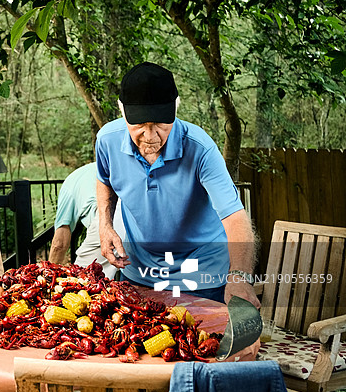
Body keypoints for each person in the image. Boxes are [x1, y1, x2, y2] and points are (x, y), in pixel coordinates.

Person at [95, 62, 259, 314]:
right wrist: (105, 226)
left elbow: (234, 216)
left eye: (161, 124)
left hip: (201, 273)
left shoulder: (201, 148)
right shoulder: (107, 140)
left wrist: (239, 276)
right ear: (122, 111)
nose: (150, 136)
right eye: (139, 125)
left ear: (176, 107)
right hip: (139, 271)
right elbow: (104, 179)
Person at [47, 162, 123, 279]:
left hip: (111, 218)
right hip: (140, 214)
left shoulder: (69, 184)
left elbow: (59, 244)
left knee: (80, 281)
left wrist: (48, 275)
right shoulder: (111, 165)